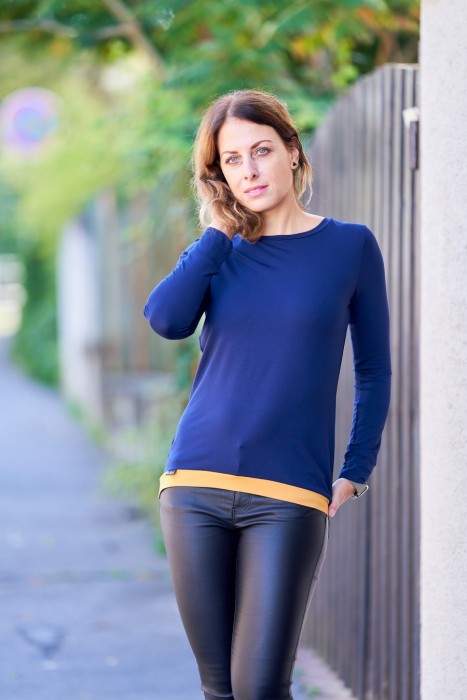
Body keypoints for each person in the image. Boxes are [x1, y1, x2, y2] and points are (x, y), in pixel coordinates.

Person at [143, 89, 391, 700]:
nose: (249, 170)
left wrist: (355, 469)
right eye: (232, 160)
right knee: (219, 689)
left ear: (292, 151)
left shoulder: (349, 246)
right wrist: (217, 234)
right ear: (220, 175)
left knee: (260, 687)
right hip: (194, 485)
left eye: (261, 150)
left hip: (287, 494)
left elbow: (374, 368)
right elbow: (166, 320)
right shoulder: (217, 251)